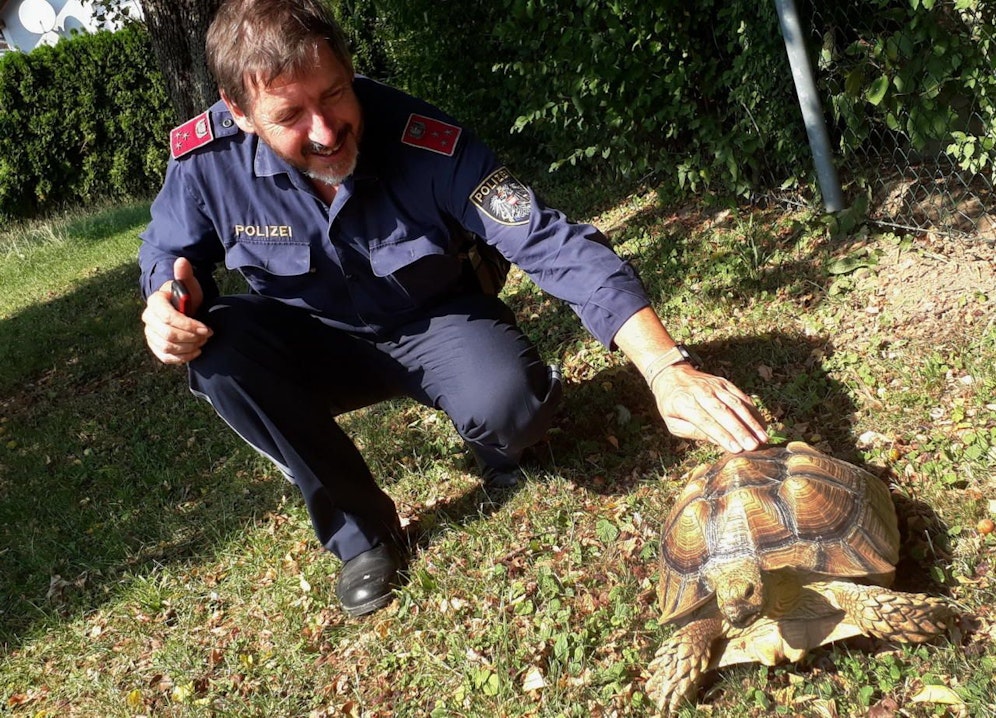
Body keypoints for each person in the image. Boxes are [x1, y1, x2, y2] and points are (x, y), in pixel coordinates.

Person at [139, 0, 768, 617]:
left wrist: (665, 367)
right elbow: (167, 256)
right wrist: (164, 305)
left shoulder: (428, 141)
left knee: (511, 408)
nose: (326, 130)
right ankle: (364, 536)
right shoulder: (205, 164)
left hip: (435, 323)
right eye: (291, 115)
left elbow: (549, 240)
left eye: (334, 94)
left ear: (349, 67)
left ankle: (502, 435)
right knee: (218, 352)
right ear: (239, 111)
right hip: (311, 342)